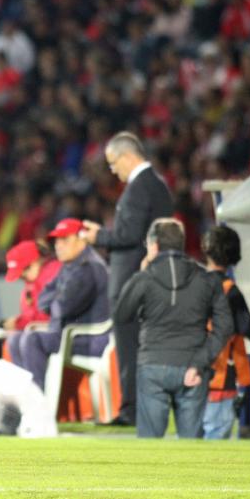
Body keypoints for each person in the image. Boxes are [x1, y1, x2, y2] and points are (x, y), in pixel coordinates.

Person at [81, 132, 173, 426]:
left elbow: (129, 236)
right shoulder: (158, 186)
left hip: (129, 282)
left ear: (128, 156)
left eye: (113, 163)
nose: (112, 170)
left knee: (129, 345)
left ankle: (131, 410)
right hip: (148, 279)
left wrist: (98, 236)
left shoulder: (138, 188)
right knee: (142, 345)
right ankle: (143, 409)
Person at [114, 218, 233, 439]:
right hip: (192, 367)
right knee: (190, 448)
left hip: (153, 364)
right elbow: (225, 326)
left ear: (154, 246)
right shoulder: (206, 279)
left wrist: (141, 274)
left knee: (150, 448)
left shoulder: (145, 278)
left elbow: (121, 315)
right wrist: (200, 361)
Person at [200, 225, 250, 440]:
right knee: (216, 439)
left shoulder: (194, 284)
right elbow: (249, 329)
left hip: (192, 376)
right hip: (221, 376)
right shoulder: (229, 291)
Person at [18, 218, 110, 391]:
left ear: (82, 239)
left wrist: (55, 302)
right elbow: (43, 300)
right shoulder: (70, 265)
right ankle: (27, 397)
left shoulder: (88, 267)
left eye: (65, 240)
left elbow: (62, 308)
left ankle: (39, 401)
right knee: (17, 339)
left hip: (89, 338)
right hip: (70, 334)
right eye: (57, 241)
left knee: (32, 339)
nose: (58, 245)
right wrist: (56, 301)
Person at [3, 239, 60, 364]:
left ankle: (36, 378)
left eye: (24, 270)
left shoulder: (52, 274)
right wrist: (18, 322)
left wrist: (18, 323)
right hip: (43, 331)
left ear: (37, 261)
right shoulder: (32, 282)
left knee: (19, 340)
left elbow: (49, 316)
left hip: (58, 332)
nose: (22, 276)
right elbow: (32, 314)